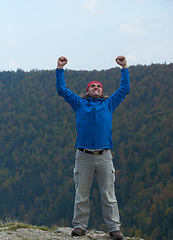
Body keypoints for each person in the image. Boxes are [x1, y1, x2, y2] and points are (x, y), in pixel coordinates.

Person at [55, 56, 129, 240]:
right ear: (87, 91)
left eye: (99, 87)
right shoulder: (79, 104)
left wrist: (124, 68)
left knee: (108, 194)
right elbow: (62, 90)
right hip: (83, 155)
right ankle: (80, 226)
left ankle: (114, 228)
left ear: (102, 92)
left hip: (105, 155)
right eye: (93, 86)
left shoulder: (108, 104)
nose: (96, 88)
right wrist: (60, 68)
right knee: (81, 193)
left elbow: (124, 89)